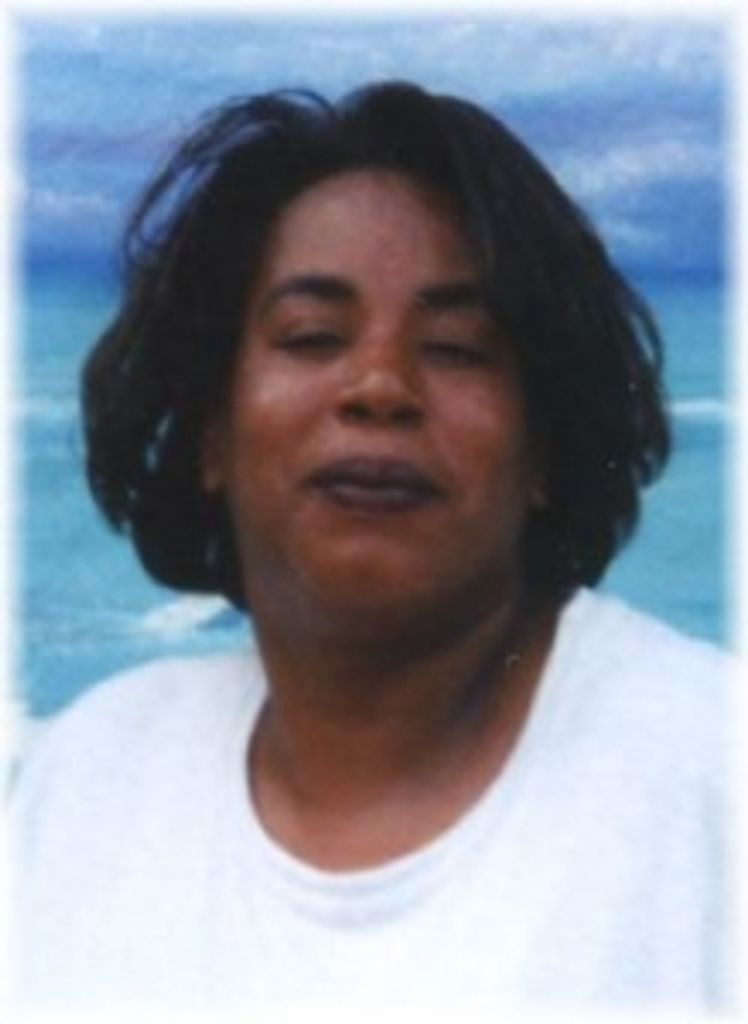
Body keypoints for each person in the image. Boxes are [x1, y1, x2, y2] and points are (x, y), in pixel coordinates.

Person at [10, 81, 734, 1012]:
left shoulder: (711, 777)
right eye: (312, 337)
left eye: (457, 346)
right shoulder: (92, 780)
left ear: (546, 448)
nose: (381, 385)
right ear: (209, 432)